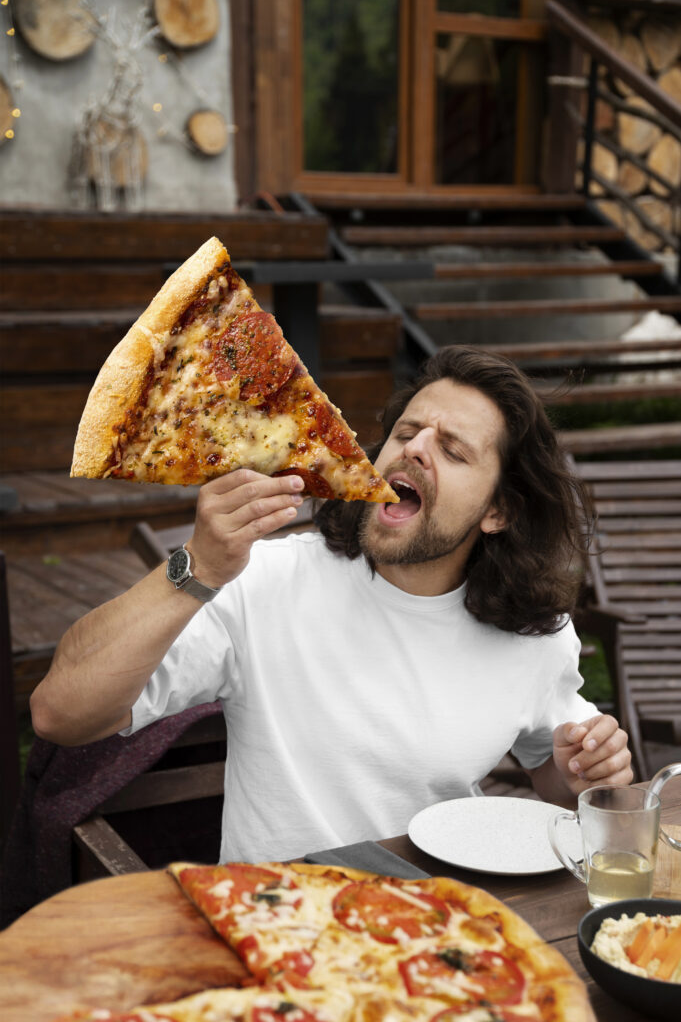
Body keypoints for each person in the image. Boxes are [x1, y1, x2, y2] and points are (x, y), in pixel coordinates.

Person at [30, 345, 632, 863]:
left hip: (435, 924)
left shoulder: (534, 636)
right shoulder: (265, 581)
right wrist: (197, 568)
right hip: (275, 926)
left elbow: (554, 779)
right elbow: (59, 713)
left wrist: (580, 774)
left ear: (499, 512)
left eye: (452, 450)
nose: (415, 448)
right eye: (405, 432)